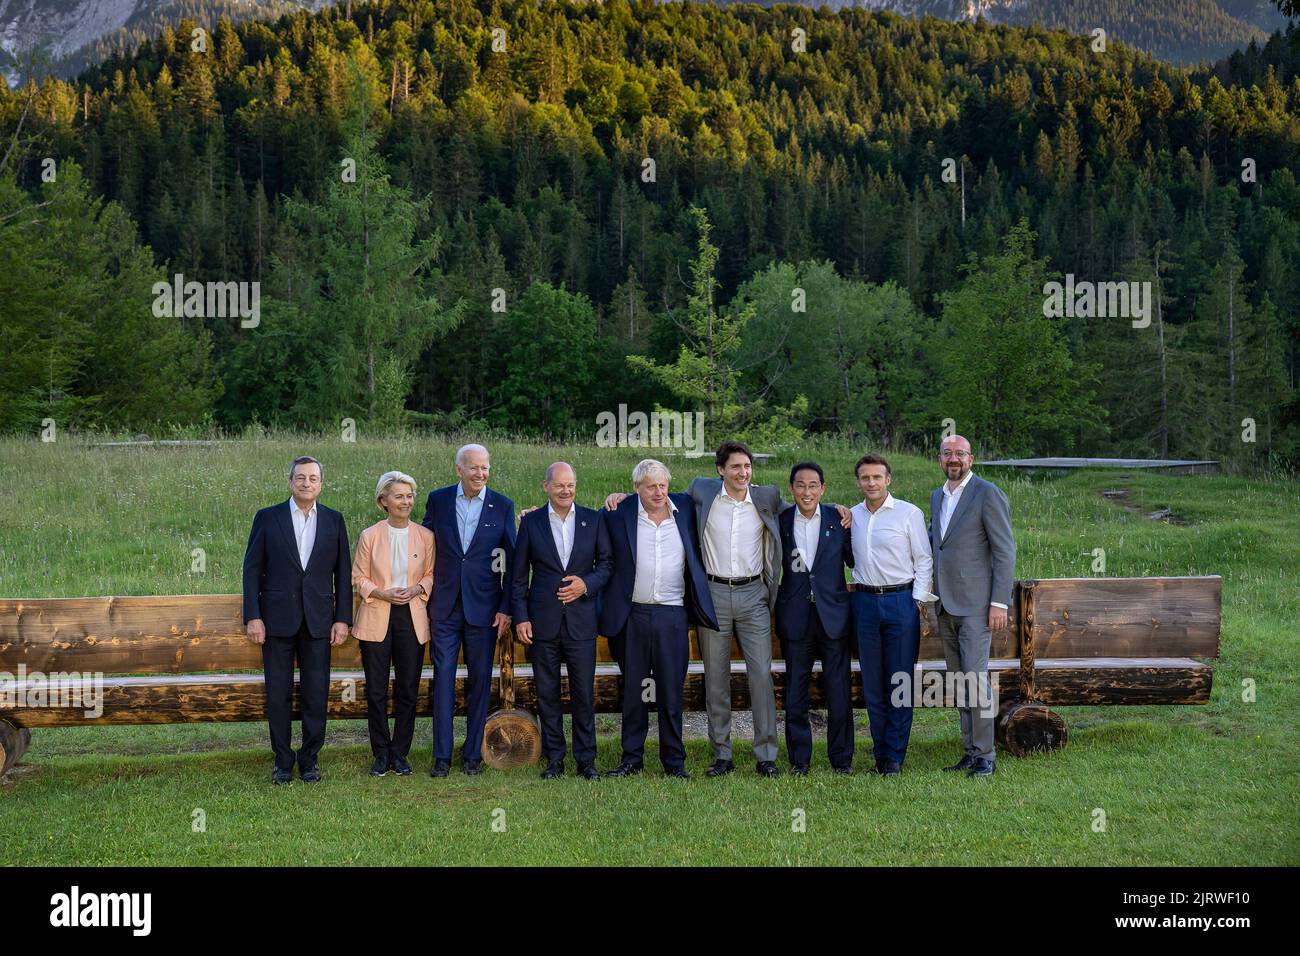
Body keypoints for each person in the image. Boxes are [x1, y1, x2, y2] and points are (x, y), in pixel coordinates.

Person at [604, 442, 849, 779]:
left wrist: (838, 507)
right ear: (721, 470)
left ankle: (766, 754)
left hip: (753, 595)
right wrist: (622, 497)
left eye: (747, 466)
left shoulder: (766, 497)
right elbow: (656, 492)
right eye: (735, 467)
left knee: (760, 676)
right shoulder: (700, 492)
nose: (742, 473)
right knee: (715, 678)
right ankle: (722, 754)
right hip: (713, 594)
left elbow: (805, 503)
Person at [600, 459, 718, 779]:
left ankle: (674, 762)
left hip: (672, 615)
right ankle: (631, 759)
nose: (658, 492)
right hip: (633, 615)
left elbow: (728, 488)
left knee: (670, 692)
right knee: (635, 691)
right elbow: (581, 525)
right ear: (636, 487)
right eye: (651, 486)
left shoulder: (683, 508)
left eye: (663, 485)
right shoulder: (619, 512)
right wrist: (530, 515)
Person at [242, 456, 351, 785]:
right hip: (276, 620)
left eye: (313, 478)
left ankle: (310, 759)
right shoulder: (268, 518)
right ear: (290, 482)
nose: (306, 483)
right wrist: (253, 616)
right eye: (300, 477)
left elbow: (342, 574)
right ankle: (282, 760)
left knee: (316, 693)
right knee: (278, 693)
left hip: (319, 621)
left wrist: (342, 618)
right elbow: (251, 570)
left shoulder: (334, 520)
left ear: (321, 484)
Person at [510, 462, 613, 780]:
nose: (566, 490)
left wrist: (587, 584)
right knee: (548, 693)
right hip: (543, 623)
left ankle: (586, 759)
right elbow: (516, 578)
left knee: (583, 693)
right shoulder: (531, 523)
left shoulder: (593, 520)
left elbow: (607, 564)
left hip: (582, 622)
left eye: (571, 485)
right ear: (546, 487)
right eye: (559, 485)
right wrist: (521, 617)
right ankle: (554, 758)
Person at [421, 444, 516, 777]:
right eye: (474, 467)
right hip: (444, 608)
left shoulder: (502, 505)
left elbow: (513, 564)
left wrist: (506, 608)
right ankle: (442, 757)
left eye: (485, 467)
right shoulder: (439, 499)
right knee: (443, 680)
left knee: (479, 683)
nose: (480, 473)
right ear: (458, 469)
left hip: (485, 610)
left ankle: (473, 755)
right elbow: (423, 546)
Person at [929, 435, 1015, 778]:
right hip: (945, 606)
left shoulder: (987, 493)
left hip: (978, 607)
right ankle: (969, 750)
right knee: (959, 681)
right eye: (948, 454)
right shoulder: (938, 496)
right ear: (940, 459)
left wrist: (998, 602)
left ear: (971, 459)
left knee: (976, 680)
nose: (954, 459)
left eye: (960, 454)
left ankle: (986, 756)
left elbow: (1005, 550)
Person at [850, 454, 936, 776]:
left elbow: (923, 559)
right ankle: (879, 753)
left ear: (888, 480)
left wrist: (916, 602)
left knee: (899, 681)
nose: (871, 483)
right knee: (873, 683)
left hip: (901, 601)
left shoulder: (908, 514)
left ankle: (894, 758)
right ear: (858, 482)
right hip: (865, 603)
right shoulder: (853, 516)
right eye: (865, 478)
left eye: (877, 477)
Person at [351, 471, 434, 777]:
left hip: (411, 616)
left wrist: (416, 589)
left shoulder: (426, 536)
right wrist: (382, 592)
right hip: (377, 614)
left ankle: (400, 753)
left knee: (407, 689)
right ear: (383, 501)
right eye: (399, 496)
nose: (406, 501)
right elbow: (358, 577)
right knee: (376, 690)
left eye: (410, 495)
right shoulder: (369, 536)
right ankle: (380, 753)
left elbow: (431, 573)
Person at [775, 461, 856, 775]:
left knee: (838, 691)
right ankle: (800, 760)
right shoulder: (780, 521)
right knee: (796, 692)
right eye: (800, 485)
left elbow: (855, 558)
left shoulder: (840, 519)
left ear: (822, 489)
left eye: (813, 485)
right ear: (791, 488)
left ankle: (841, 759)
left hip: (833, 615)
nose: (806, 491)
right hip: (796, 616)